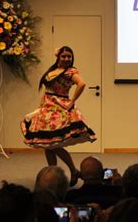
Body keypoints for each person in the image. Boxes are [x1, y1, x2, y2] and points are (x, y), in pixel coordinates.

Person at [20, 46, 96, 186]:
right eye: (64, 56)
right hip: (47, 107)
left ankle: (71, 170)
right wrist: (41, 107)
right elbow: (47, 91)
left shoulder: (70, 72)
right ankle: (54, 174)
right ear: (58, 57)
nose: (67, 59)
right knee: (48, 145)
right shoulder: (53, 71)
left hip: (58, 109)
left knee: (53, 144)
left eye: (69, 56)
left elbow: (82, 84)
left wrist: (72, 101)